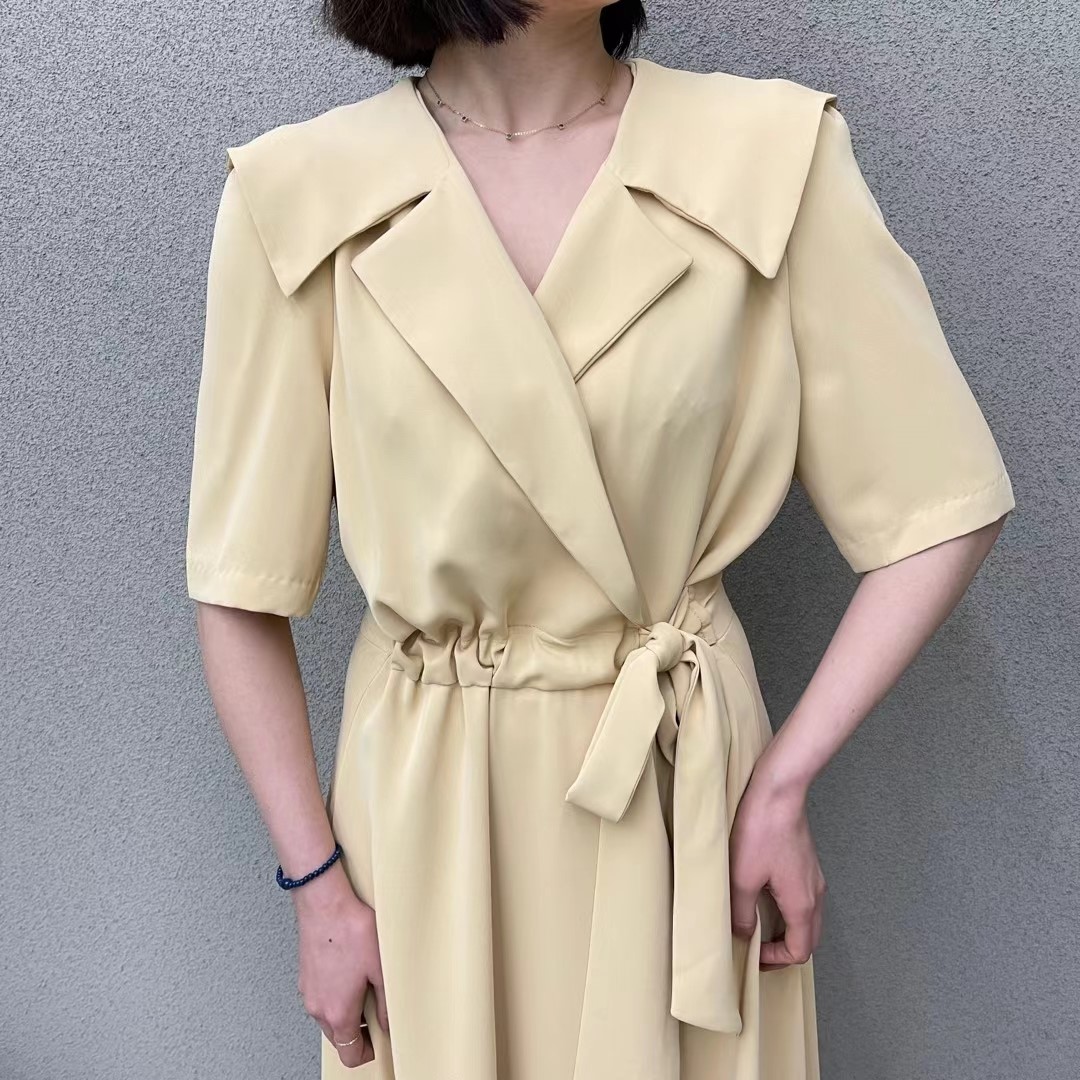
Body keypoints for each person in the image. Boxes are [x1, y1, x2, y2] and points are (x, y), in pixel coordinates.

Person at [184, 2, 1016, 1078]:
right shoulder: (298, 195)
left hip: (686, 807)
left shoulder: (767, 158)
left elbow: (940, 502)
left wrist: (782, 782)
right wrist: (318, 892)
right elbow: (240, 590)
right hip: (433, 825)